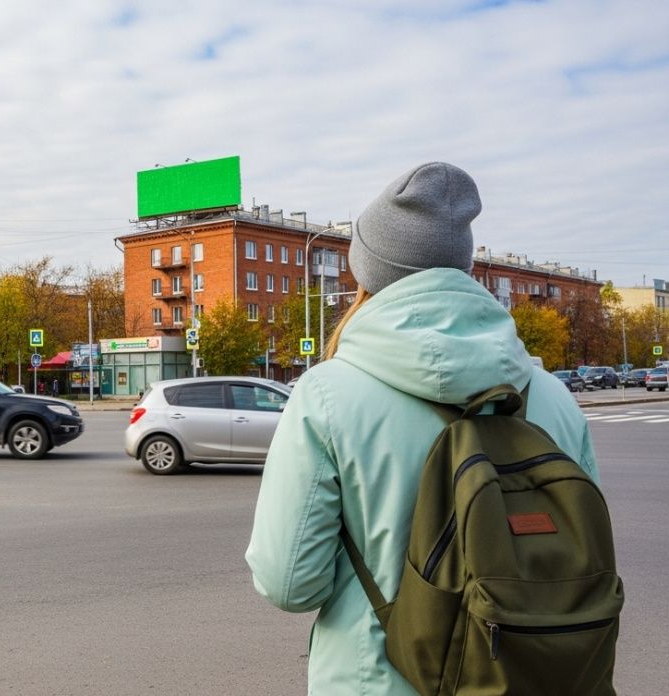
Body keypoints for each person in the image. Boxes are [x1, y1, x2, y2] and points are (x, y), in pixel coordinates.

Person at [244, 162, 597, 695]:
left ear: (369, 273)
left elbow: (290, 583)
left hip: (376, 679)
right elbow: (584, 556)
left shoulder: (327, 395)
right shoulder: (552, 395)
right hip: (530, 675)